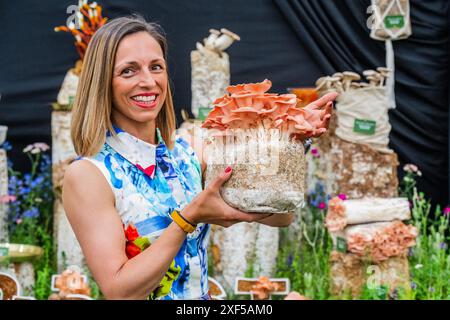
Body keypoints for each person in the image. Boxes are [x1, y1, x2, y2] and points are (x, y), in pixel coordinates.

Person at [63, 15, 336, 300]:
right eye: (128, 71)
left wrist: (287, 137)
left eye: (156, 67)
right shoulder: (89, 175)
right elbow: (120, 292)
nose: (148, 81)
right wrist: (188, 218)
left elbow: (281, 217)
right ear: (102, 82)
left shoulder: (190, 151)